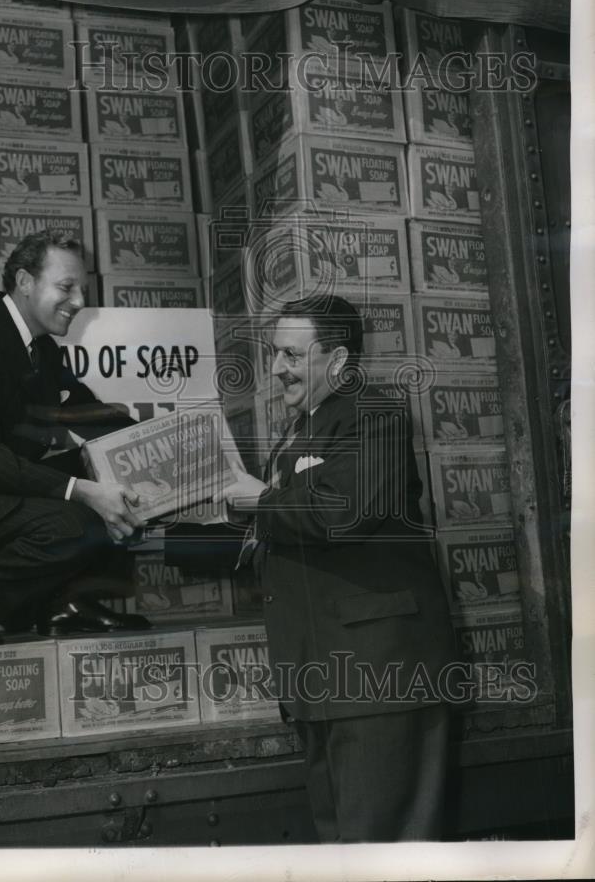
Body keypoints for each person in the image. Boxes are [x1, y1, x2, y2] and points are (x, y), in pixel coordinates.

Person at [213, 293, 456, 843]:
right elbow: (277, 529)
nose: (277, 369)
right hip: (322, 684)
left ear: (339, 361)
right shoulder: (298, 433)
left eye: (292, 355)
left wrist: (261, 502)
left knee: (384, 851)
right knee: (345, 851)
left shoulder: (379, 416)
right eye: (276, 355)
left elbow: (343, 513)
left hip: (380, 682)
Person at [0, 230, 151, 643]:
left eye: (82, 289)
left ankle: (64, 604)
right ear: (24, 282)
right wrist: (83, 491)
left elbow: (94, 417)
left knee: (133, 470)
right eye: (65, 287)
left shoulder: (44, 351)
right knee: (78, 521)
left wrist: (172, 452)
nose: (78, 301)